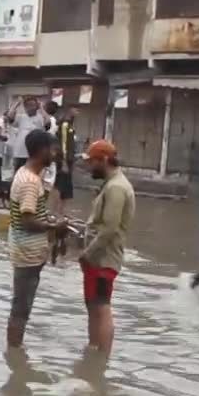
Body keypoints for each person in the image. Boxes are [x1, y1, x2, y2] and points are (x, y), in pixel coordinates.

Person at [6, 129, 68, 350]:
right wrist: (54, 226)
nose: (55, 154)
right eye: (52, 149)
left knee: (21, 305)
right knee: (21, 308)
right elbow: (27, 221)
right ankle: (15, 351)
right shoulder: (31, 182)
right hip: (27, 252)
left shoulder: (26, 174)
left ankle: (15, 351)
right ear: (42, 150)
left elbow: (30, 214)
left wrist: (48, 219)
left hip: (25, 249)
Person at [78, 140, 135, 353]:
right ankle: (93, 353)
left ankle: (101, 359)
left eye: (92, 161)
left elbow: (110, 229)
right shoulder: (111, 184)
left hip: (103, 258)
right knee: (94, 305)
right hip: (98, 258)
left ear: (103, 160)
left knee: (101, 307)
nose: (89, 167)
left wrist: (88, 253)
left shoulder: (116, 187)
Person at [9, 97, 45, 173]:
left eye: (33, 105)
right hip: (20, 153)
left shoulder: (41, 118)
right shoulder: (21, 117)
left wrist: (41, 107)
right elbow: (10, 117)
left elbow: (47, 122)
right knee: (18, 175)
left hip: (34, 154)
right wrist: (17, 104)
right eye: (28, 105)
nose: (30, 107)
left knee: (33, 176)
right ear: (25, 107)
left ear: (37, 106)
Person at [53, 105, 78, 213]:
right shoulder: (64, 125)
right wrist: (63, 161)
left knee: (67, 187)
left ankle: (62, 211)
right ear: (69, 111)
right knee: (59, 185)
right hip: (63, 159)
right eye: (75, 110)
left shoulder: (71, 125)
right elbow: (63, 143)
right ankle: (56, 211)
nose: (77, 112)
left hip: (70, 159)